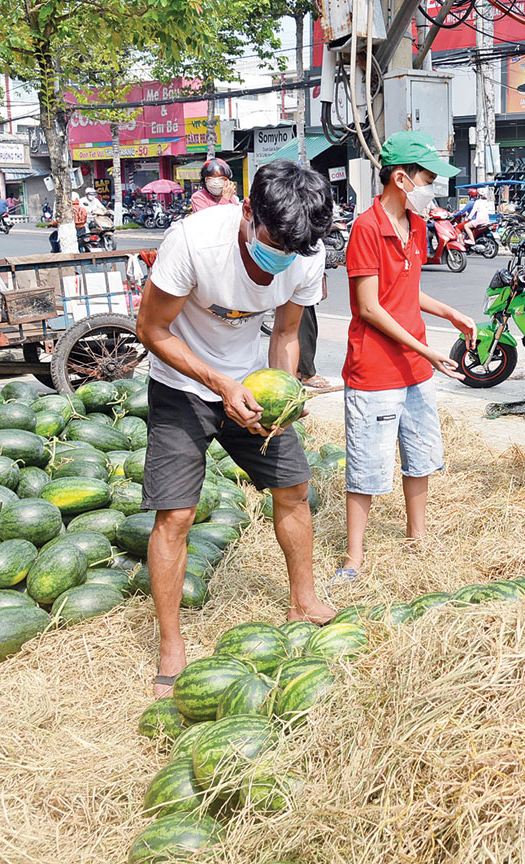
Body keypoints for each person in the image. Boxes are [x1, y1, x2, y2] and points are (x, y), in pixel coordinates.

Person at [134, 159, 334, 697]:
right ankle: (172, 645)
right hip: (182, 383)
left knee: (293, 488)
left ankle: (303, 599)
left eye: (295, 250)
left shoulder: (304, 254)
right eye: (276, 244)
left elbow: (286, 333)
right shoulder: (194, 243)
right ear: (247, 212)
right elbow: (151, 329)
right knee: (175, 514)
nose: (283, 261)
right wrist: (220, 384)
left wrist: (283, 395)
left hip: (253, 385)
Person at [340, 131, 475, 578]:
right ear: (401, 178)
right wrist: (428, 350)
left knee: (420, 455)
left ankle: (416, 541)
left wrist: (451, 312)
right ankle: (353, 558)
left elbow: (408, 291)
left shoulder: (417, 226)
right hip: (375, 369)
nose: (433, 186)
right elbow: (369, 306)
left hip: (415, 368)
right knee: (367, 466)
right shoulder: (365, 227)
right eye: (428, 178)